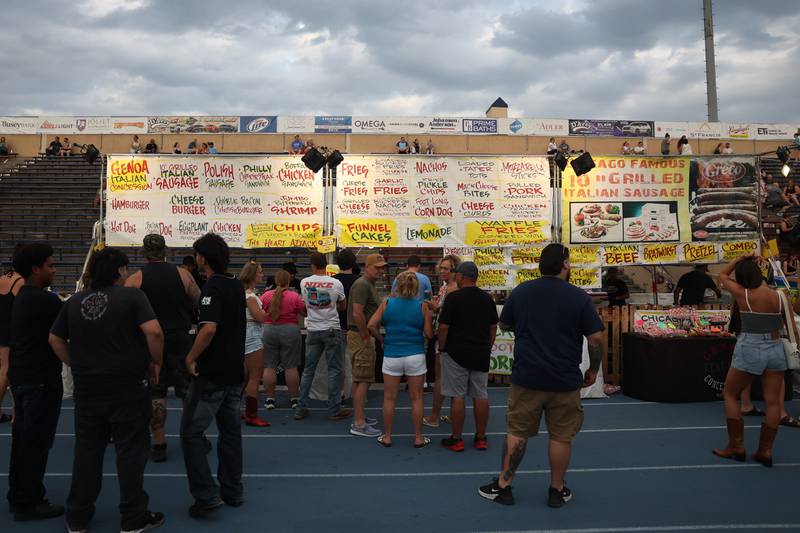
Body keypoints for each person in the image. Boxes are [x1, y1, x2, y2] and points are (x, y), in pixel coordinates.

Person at [49, 248, 166, 532]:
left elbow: (54, 338)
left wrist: (76, 364)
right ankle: (132, 517)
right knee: (130, 453)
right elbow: (154, 332)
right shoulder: (133, 297)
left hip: (89, 388)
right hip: (127, 386)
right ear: (119, 271)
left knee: (87, 453)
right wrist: (156, 362)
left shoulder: (75, 301)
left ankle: (77, 517)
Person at [478, 243, 604, 508]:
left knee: (518, 432)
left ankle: (504, 485)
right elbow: (595, 339)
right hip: (565, 379)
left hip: (528, 377)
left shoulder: (522, 292)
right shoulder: (579, 297)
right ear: (566, 264)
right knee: (561, 436)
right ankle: (556, 489)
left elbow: (505, 324)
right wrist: (593, 369)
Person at [180, 233, 246, 517]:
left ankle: (206, 495)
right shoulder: (236, 285)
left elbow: (208, 329)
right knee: (230, 432)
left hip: (213, 374)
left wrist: (191, 356)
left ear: (201, 258)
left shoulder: (212, 289)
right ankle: (232, 490)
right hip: (234, 371)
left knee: (191, 433)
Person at [125, 234, 200, 463]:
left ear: (143, 252)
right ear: (165, 250)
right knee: (188, 391)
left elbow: (126, 311)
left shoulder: (136, 279)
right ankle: (194, 438)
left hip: (151, 339)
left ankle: (158, 443)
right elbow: (198, 299)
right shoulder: (183, 274)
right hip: (179, 338)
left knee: (156, 392)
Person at [6, 243, 64, 521]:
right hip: (39, 380)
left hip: (24, 378)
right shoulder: (45, 300)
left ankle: (20, 495)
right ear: (35, 269)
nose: (54, 270)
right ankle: (30, 500)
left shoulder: (24, 297)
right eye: (50, 265)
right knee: (35, 443)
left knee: (23, 442)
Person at [712, 255, 785, 467]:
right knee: (773, 401)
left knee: (730, 393)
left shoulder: (743, 294)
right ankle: (765, 450)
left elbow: (722, 275)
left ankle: (736, 446)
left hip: (751, 346)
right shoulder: (779, 296)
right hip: (775, 345)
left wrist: (737, 259)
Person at [437, 262, 498, 452]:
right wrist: (487, 346)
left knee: (457, 396)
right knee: (480, 395)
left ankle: (457, 438)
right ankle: (481, 437)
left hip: (456, 353)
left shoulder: (453, 298)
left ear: (461, 277)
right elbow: (493, 327)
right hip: (480, 352)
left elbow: (444, 327)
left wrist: (442, 347)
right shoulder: (487, 299)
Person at [368, 271, 433, 448]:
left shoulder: (387, 303)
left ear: (397, 285)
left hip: (392, 354)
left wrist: (382, 340)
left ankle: (388, 436)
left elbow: (371, 325)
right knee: (417, 398)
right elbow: (428, 333)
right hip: (415, 355)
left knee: (389, 398)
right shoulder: (422, 306)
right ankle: (418, 437)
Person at [295, 252, 351, 421]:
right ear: (326, 265)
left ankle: (300, 408)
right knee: (333, 370)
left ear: (312, 265)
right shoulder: (336, 283)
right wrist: (330, 308)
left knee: (308, 371)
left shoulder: (304, 282)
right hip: (332, 329)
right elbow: (343, 304)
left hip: (313, 329)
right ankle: (333, 409)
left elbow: (305, 305)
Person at [347, 253, 387, 437]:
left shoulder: (368, 284)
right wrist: (365, 337)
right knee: (364, 379)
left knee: (360, 378)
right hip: (360, 335)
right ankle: (359, 423)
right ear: (367, 267)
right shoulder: (363, 284)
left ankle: (359, 415)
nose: (380, 270)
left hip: (361, 334)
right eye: (377, 267)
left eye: (382, 267)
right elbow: (357, 313)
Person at [423, 254, 460, 428]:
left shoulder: (454, 289)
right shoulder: (446, 287)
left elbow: (447, 313)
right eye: (441, 268)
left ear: (454, 271)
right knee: (450, 378)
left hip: (446, 336)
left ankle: (435, 416)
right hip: (445, 333)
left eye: (446, 268)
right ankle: (452, 415)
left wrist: (435, 307)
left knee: (441, 378)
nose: (442, 271)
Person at [260, 270, 304, 409]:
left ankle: (270, 399)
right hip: (290, 330)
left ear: (275, 281)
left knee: (269, 366)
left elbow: (260, 311)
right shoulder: (294, 296)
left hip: (269, 330)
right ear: (289, 281)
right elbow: (304, 312)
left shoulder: (266, 295)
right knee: (291, 367)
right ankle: (294, 399)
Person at [239, 262, 269, 427]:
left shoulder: (244, 294)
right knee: (254, 377)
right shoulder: (250, 296)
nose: (262, 275)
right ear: (252, 275)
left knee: (245, 376)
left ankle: (238, 408)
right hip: (252, 334)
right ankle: (251, 413)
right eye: (260, 272)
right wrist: (266, 312)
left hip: (247, 333)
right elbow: (260, 317)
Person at [334, 249, 360, 400]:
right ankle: (358, 394)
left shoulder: (333, 281)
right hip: (355, 326)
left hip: (337, 325)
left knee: (340, 364)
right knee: (357, 363)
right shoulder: (360, 281)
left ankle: (341, 393)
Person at [0, 255, 23, 424]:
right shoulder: (20, 281)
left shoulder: (3, 278)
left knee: (5, 369)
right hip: (10, 329)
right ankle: (17, 413)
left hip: (2, 328)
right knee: (8, 370)